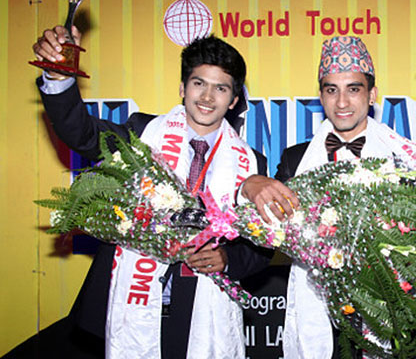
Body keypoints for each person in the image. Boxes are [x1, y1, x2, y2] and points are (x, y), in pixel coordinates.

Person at [33, 25, 271, 358]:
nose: (207, 97)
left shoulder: (251, 163)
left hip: (200, 312)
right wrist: (59, 77)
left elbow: (262, 245)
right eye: (199, 83)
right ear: (182, 87)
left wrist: (227, 259)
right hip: (128, 301)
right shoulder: (142, 133)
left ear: (233, 100)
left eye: (220, 88)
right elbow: (82, 134)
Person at [239, 36, 416, 358]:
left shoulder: (405, 156)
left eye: (353, 89)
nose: (342, 102)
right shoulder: (296, 159)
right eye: (331, 90)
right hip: (323, 315)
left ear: (372, 94)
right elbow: (266, 230)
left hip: (392, 316)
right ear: (320, 95)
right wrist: (249, 186)